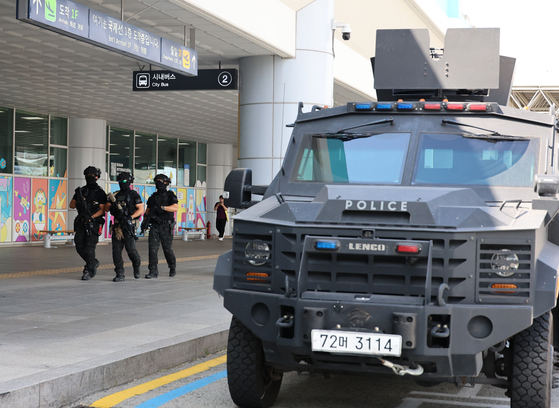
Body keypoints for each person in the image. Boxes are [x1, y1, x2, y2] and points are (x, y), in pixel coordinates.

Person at [69, 166, 107, 281]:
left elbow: (102, 209)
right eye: (87, 175)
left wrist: (91, 217)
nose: (89, 177)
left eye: (92, 176)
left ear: (97, 177)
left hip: (93, 224)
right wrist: (79, 203)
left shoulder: (100, 192)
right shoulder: (81, 191)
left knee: (90, 248)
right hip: (81, 222)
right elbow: (71, 205)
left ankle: (88, 270)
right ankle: (93, 262)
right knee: (79, 245)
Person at [105, 172, 144, 282]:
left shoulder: (134, 195)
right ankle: (119, 273)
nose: (122, 183)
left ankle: (136, 266)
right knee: (116, 252)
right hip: (118, 227)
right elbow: (107, 208)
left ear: (130, 181)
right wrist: (113, 206)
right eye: (120, 181)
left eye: (125, 181)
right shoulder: (115, 194)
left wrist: (130, 218)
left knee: (131, 250)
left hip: (129, 227)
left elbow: (141, 209)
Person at [143, 174, 178, 278]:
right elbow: (147, 211)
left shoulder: (170, 195)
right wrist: (145, 222)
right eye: (157, 181)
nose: (158, 183)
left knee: (167, 249)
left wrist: (163, 208)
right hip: (154, 226)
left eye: (161, 181)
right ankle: (153, 271)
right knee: (152, 249)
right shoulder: (153, 197)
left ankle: (172, 267)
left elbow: (175, 207)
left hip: (166, 226)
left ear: (166, 183)